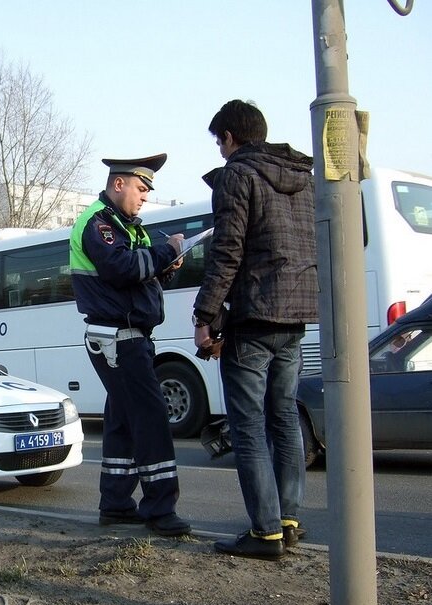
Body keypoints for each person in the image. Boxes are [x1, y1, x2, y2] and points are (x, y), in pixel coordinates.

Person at [193, 99, 318, 560]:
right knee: (283, 418)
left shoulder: (236, 176)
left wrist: (204, 315)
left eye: (219, 142)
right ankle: (287, 519)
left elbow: (227, 252)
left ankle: (264, 532)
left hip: (254, 318)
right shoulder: (302, 179)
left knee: (247, 427)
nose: (220, 152)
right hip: (296, 316)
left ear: (230, 137)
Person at [69, 153, 191, 537]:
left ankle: (117, 504)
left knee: (122, 422)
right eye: (140, 189)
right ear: (118, 184)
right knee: (152, 419)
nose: (144, 198)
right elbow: (122, 270)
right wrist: (167, 252)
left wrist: (165, 267)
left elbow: (139, 280)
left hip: (126, 338)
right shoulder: (99, 224)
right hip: (119, 340)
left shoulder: (129, 227)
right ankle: (159, 508)